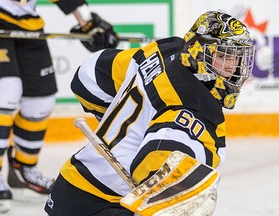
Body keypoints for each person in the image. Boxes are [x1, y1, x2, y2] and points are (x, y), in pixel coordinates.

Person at [44, 10, 255, 216]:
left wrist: (121, 124)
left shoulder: (166, 51)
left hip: (70, 186)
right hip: (108, 203)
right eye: (223, 56)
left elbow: (87, 77)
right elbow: (155, 163)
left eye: (236, 58)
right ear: (199, 51)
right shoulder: (195, 104)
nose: (232, 68)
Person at [0, 0, 119, 213]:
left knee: (40, 99)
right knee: (4, 91)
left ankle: (23, 168)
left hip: (29, 24)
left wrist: (88, 23)